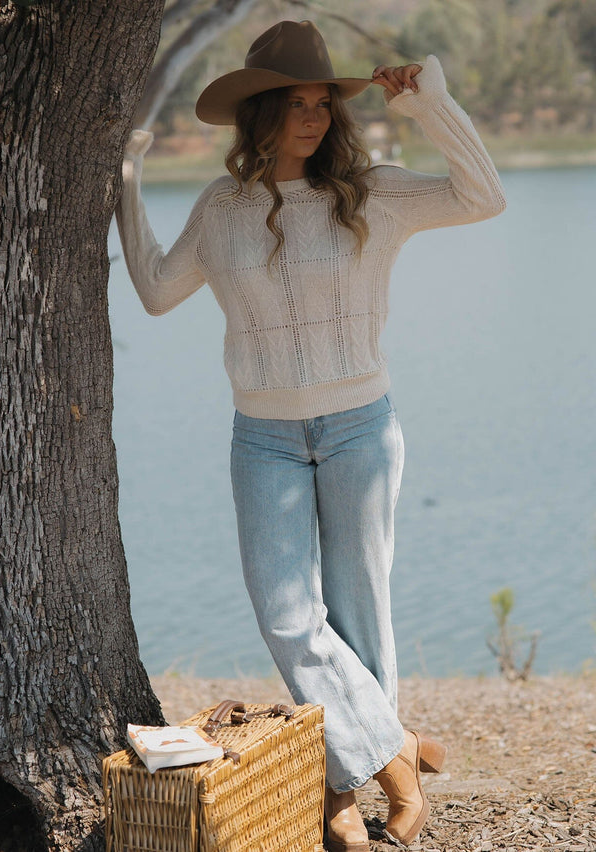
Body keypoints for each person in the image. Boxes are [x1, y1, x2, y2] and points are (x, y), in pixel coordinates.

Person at [117, 19, 506, 851]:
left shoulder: (369, 194)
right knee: (290, 617)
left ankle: (338, 794)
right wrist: (125, 173)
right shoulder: (223, 209)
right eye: (294, 103)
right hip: (263, 436)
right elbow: (153, 289)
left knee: (360, 615)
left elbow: (485, 196)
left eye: (322, 101)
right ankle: (398, 753)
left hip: (363, 426)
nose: (313, 116)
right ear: (259, 113)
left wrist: (431, 102)